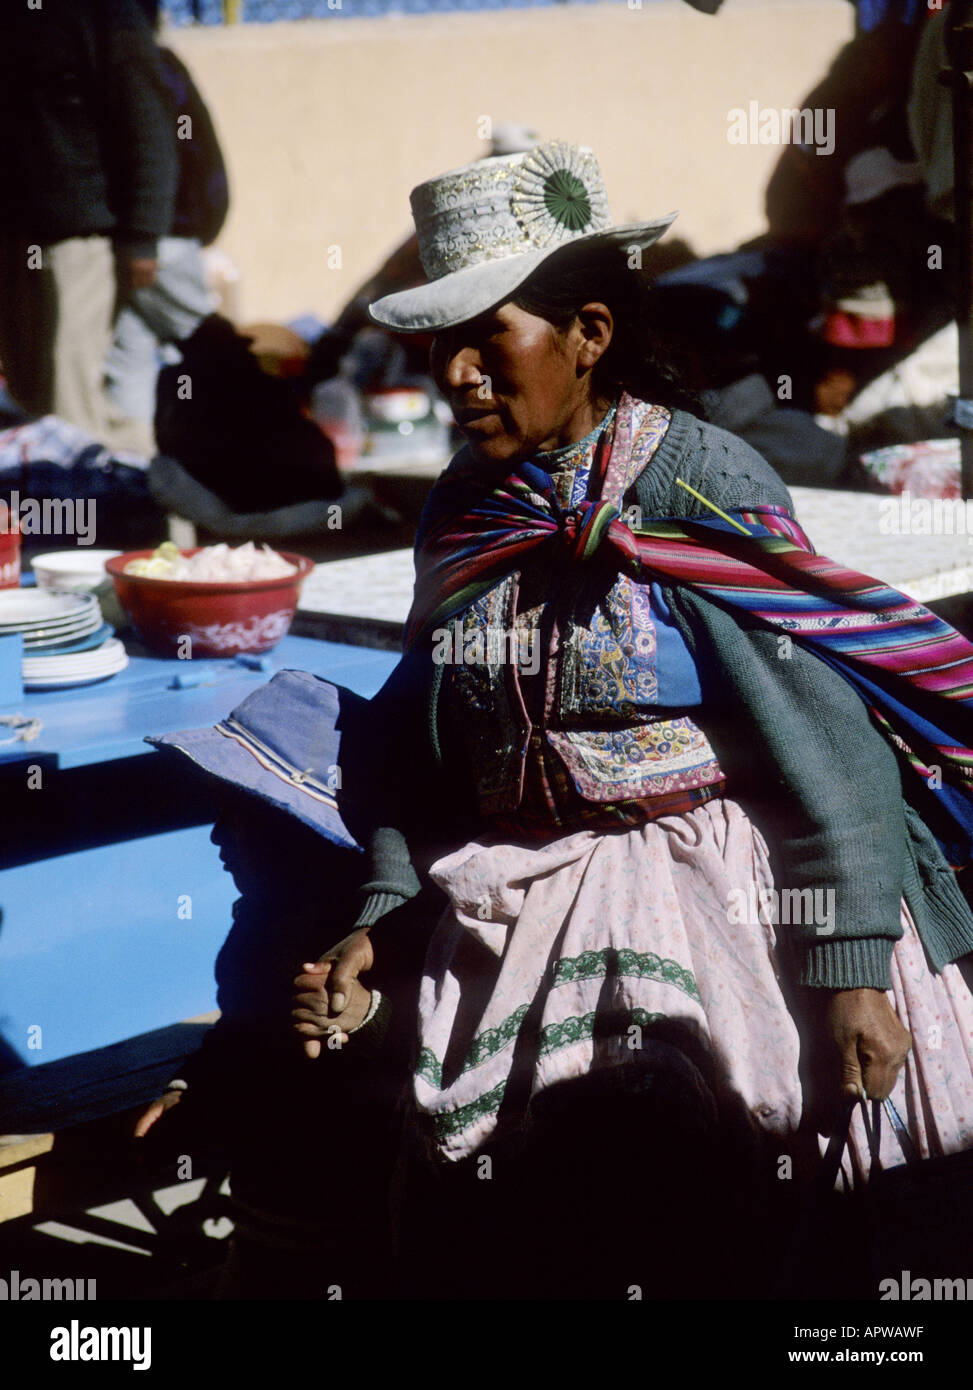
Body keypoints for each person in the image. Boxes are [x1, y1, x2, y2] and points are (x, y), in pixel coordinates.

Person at [140, 141, 973, 1299]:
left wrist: (848, 970)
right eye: (443, 347)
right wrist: (381, 909)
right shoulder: (468, 510)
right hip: (519, 878)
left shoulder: (697, 481)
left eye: (493, 338)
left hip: (718, 881)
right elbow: (424, 737)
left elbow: (823, 741)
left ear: (588, 332)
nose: (460, 375)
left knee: (670, 1175)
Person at [0, 0, 177, 454]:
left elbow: (146, 124)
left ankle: (125, 502)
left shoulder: (108, 15)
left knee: (69, 400)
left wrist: (142, 235)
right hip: (17, 235)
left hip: (79, 240)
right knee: (30, 397)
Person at [105, 0, 229, 435]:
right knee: (130, 350)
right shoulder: (151, 63)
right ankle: (134, 463)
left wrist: (145, 233)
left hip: (158, 236)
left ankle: (242, 443)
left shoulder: (139, 65)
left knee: (209, 347)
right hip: (154, 234)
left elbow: (166, 152)